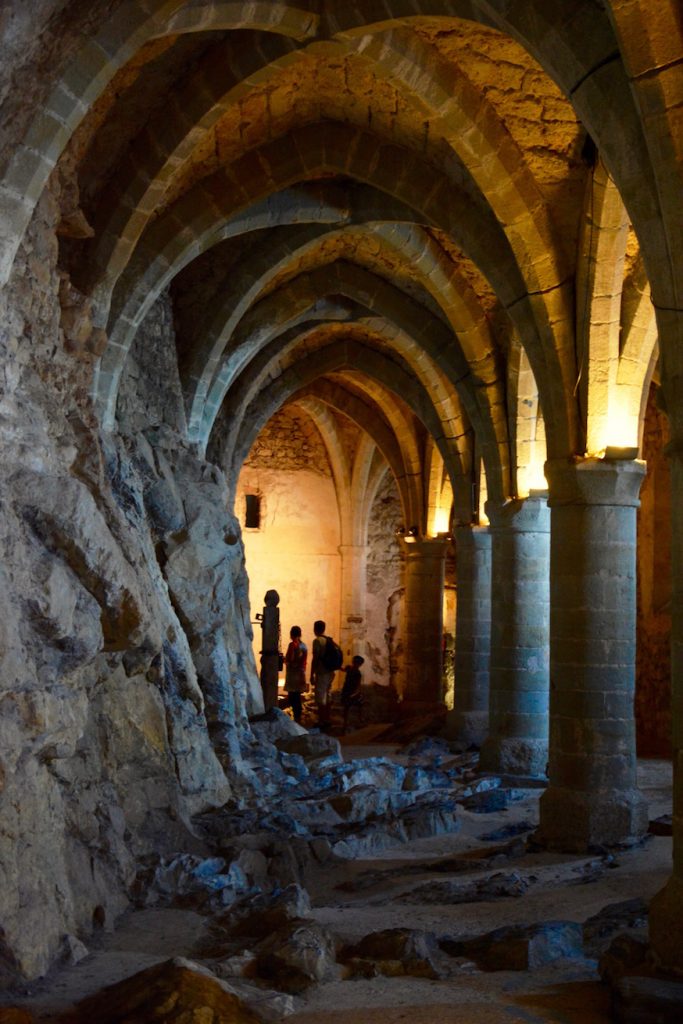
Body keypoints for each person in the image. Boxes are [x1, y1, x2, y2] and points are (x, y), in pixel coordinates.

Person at [310, 619, 335, 729]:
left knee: (320, 698)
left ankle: (322, 721)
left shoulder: (318, 641)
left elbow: (315, 658)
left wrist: (312, 674)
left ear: (315, 629)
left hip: (322, 672)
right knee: (328, 696)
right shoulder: (329, 640)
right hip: (330, 672)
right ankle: (328, 719)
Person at [284, 626, 308, 724]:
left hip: (293, 674)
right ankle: (298, 717)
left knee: (293, 697)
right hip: (301, 673)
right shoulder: (304, 646)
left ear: (291, 634)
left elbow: (291, 659)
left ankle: (296, 719)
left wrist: (285, 661)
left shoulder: (292, 645)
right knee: (297, 697)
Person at [341, 655, 365, 734]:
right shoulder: (357, 673)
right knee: (353, 707)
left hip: (347, 691)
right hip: (350, 692)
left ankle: (346, 725)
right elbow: (358, 685)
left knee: (347, 708)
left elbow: (342, 669)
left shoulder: (350, 669)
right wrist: (356, 693)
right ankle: (358, 721)